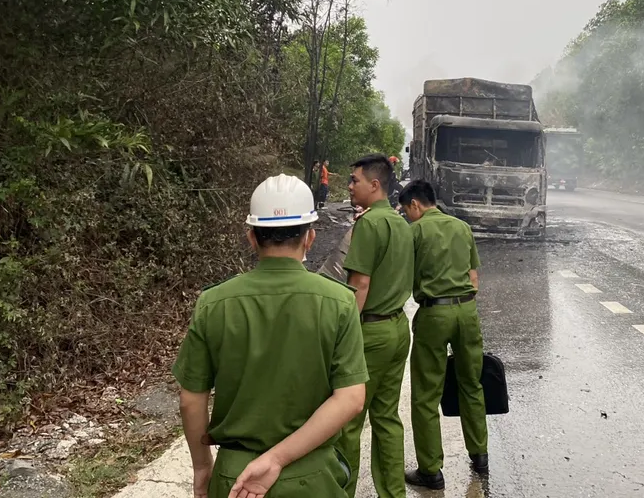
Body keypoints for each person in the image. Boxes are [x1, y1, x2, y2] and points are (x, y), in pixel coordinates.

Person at [172, 174, 368, 498]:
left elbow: (190, 399)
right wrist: (277, 459)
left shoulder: (214, 303)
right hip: (313, 476)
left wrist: (202, 467)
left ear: (251, 237)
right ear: (310, 237)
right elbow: (350, 398)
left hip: (234, 480)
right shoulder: (339, 303)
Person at [398, 179, 488, 490]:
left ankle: (431, 471)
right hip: (467, 311)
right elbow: (473, 278)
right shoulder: (462, 227)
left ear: (415, 205)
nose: (408, 217)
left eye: (407, 212)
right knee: (471, 384)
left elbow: (401, 278)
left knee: (425, 395)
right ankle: (480, 456)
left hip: (434, 314)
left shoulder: (415, 231)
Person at [337, 154, 414, 498]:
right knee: (386, 416)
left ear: (375, 184)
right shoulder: (401, 223)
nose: (350, 186)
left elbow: (360, 285)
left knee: (348, 421)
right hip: (398, 327)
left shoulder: (369, 224)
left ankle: (343, 491)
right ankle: (393, 492)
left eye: (354, 180)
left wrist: (344, 337)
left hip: (370, 332)